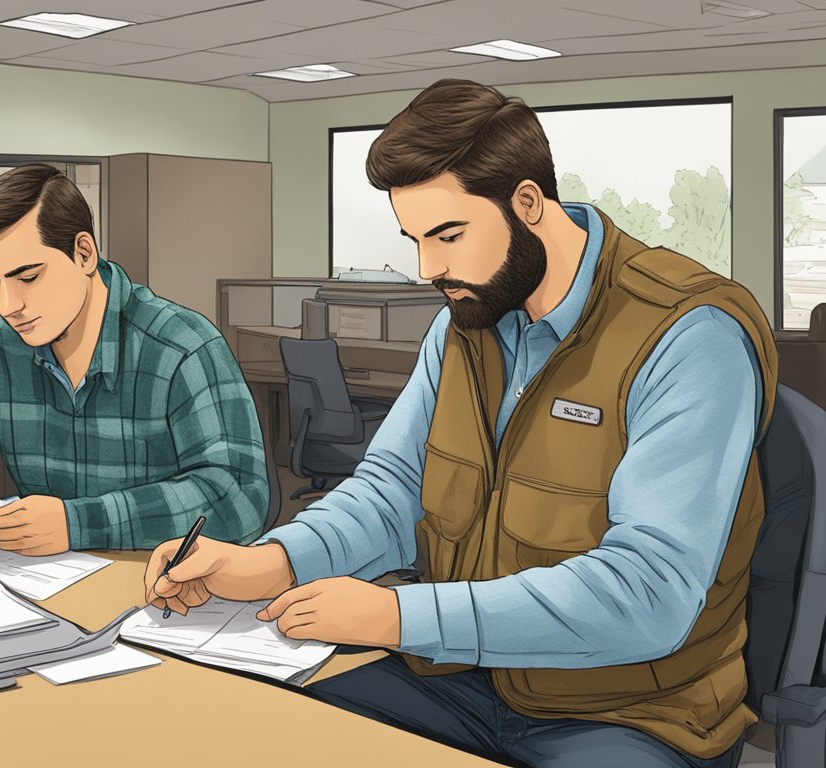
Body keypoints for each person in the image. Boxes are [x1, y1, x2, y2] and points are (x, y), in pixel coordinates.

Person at [143, 79, 777, 768]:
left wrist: (396, 618)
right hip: (455, 679)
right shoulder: (462, 329)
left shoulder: (687, 335)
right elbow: (390, 492)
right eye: (414, 239)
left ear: (528, 202)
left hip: (626, 711)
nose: (427, 268)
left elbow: (647, 592)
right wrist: (271, 563)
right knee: (261, 735)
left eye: (447, 235)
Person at [0, 164, 267, 556]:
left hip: (158, 590)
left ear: (84, 254)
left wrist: (77, 524)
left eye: (27, 278)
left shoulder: (183, 346)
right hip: (36, 583)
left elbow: (239, 498)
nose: (7, 306)